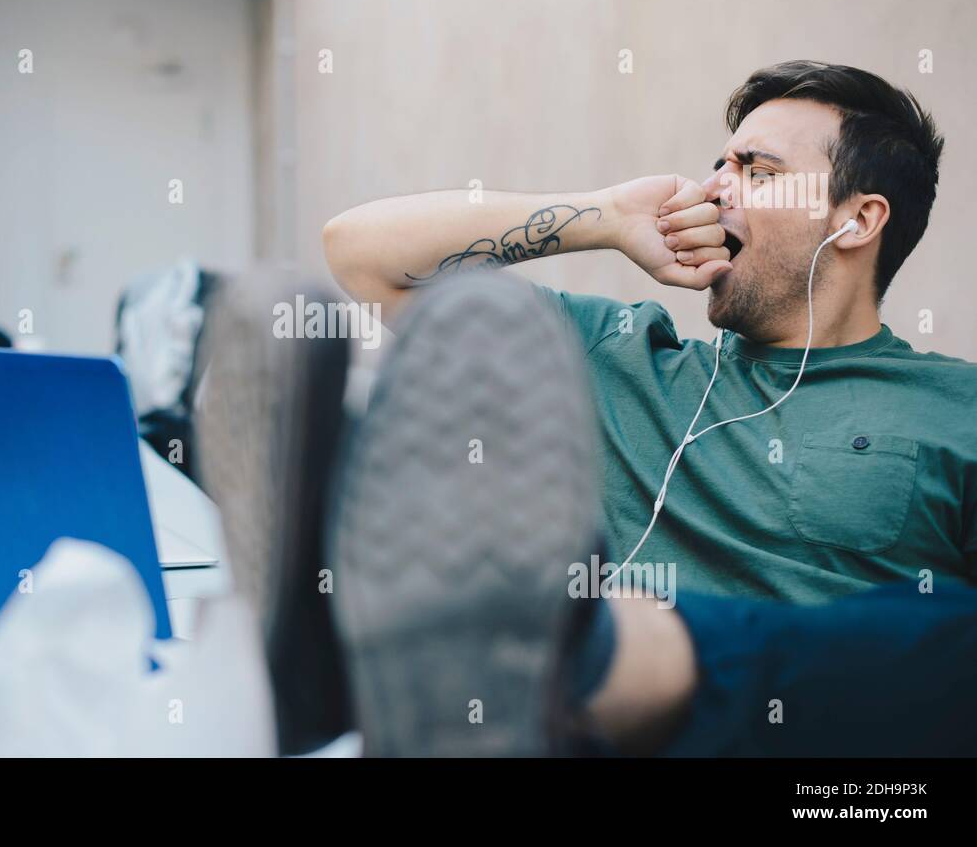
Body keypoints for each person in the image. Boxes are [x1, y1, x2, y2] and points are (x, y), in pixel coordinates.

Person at [192, 60, 977, 757]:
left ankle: (388, 640)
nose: (713, 187)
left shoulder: (956, 409)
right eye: (718, 165)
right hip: (551, 735)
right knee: (456, 363)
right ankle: (393, 612)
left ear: (858, 219)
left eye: (756, 171)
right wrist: (604, 217)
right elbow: (361, 256)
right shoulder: (627, 356)